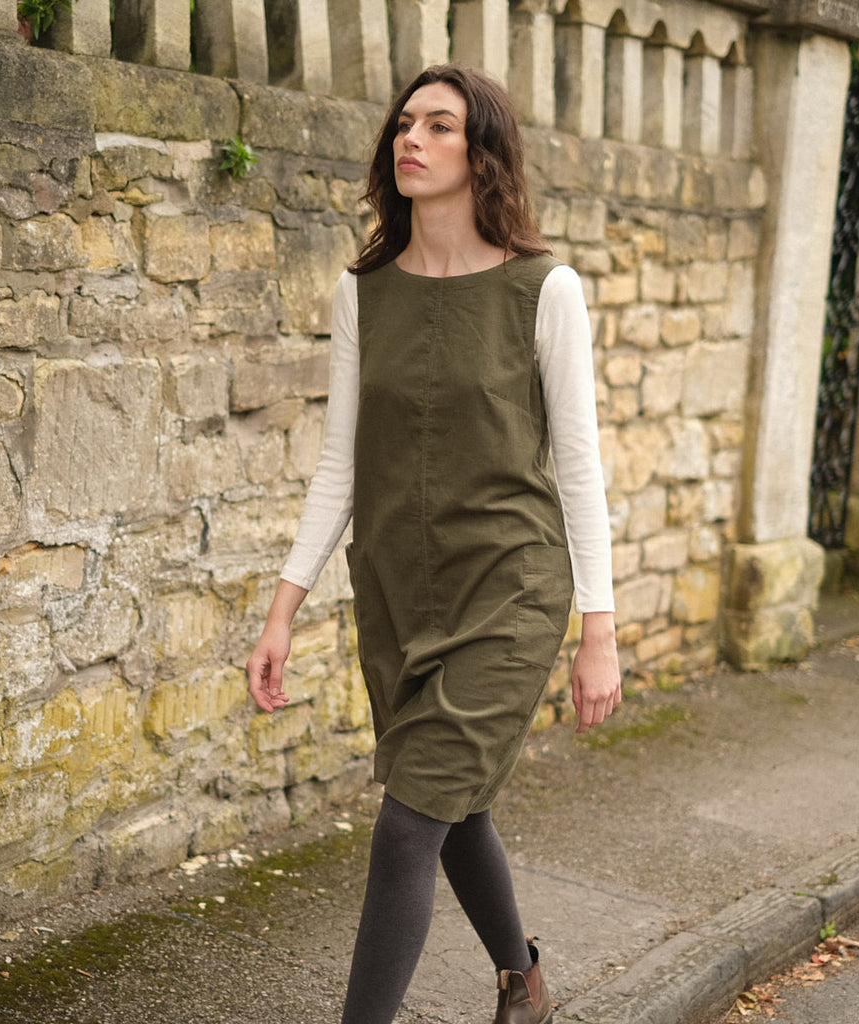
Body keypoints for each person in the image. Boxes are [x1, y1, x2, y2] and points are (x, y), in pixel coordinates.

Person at [246, 63, 621, 1024]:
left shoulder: (546, 289)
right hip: (396, 593)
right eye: (405, 123)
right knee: (453, 805)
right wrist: (283, 610)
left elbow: (579, 467)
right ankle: (522, 981)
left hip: (509, 590)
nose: (411, 138)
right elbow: (340, 464)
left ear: (482, 151)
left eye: (440, 125)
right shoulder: (363, 291)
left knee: (409, 824)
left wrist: (600, 630)